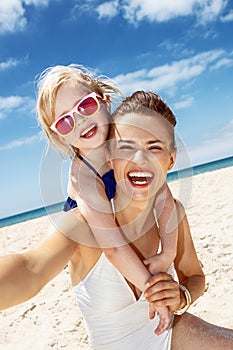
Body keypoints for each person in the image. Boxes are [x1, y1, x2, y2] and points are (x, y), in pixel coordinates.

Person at [1, 90, 233, 349]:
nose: (140, 159)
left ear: (171, 160)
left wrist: (181, 297)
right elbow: (30, 268)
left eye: (154, 147)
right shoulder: (84, 223)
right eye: (127, 148)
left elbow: (194, 276)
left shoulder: (172, 213)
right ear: (110, 157)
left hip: (171, 333)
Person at [36, 64, 178, 334]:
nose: (80, 121)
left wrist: (167, 253)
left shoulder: (125, 139)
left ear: (105, 100)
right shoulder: (83, 177)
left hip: (124, 229)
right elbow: (111, 247)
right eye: (65, 121)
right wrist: (153, 292)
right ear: (58, 135)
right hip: (96, 251)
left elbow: (163, 194)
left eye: (86, 106)